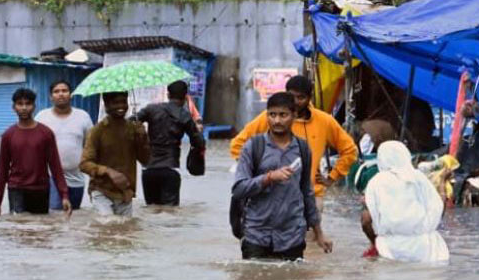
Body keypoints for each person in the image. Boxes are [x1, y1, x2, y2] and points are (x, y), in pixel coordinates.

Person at [232, 91, 333, 260]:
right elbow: (238, 189)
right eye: (272, 115)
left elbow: (307, 192)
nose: (277, 120)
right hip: (257, 235)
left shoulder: (303, 149)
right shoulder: (253, 146)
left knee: (291, 277)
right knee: (253, 276)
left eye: (283, 115)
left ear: (294, 116)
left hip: (292, 237)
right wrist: (269, 177)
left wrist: (319, 234)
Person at [230, 75, 358, 206]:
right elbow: (237, 144)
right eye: (292, 96)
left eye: (301, 98)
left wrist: (332, 177)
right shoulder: (272, 117)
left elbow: (350, 150)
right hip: (272, 195)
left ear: (309, 98)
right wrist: (258, 175)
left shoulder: (324, 121)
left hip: (310, 196)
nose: (295, 102)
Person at [360, 141, 449, 263]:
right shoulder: (419, 178)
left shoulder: (376, 182)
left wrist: (374, 241)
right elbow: (438, 209)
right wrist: (443, 182)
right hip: (426, 250)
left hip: (389, 250)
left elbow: (366, 220)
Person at [0, 87, 72, 218]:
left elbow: (56, 166)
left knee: (41, 227)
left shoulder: (46, 133)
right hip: (16, 190)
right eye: (20, 104)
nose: (24, 108)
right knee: (19, 226)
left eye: (28, 104)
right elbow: (2, 170)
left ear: (34, 106)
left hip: (41, 190)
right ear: (14, 107)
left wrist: (64, 195)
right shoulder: (8, 135)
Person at [79, 91, 150, 217]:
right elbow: (84, 164)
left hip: (125, 192)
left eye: (123, 102)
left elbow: (146, 160)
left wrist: (143, 138)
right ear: (106, 105)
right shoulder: (97, 131)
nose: (121, 106)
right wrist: (108, 171)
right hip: (101, 191)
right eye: (115, 103)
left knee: (125, 228)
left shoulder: (133, 129)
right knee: (107, 224)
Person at [135, 80, 205, 206]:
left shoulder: (151, 109)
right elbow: (199, 142)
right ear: (185, 97)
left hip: (149, 169)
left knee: (151, 210)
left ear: (168, 95)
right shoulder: (185, 115)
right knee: (170, 212)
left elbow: (131, 122)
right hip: (170, 168)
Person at [35, 80, 93, 211]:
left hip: (77, 178)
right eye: (56, 91)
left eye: (64, 91)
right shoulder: (42, 117)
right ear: (51, 97)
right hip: (51, 177)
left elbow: (90, 147)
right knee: (56, 212)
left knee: (73, 215)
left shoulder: (83, 117)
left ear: (71, 95)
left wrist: (93, 177)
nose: (61, 94)